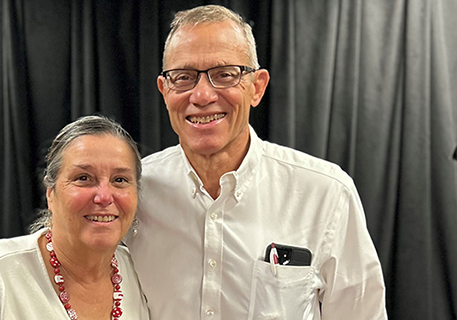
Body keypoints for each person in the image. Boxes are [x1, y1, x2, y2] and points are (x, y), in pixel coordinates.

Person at [124, 5, 387, 319]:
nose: (203, 95)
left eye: (224, 75)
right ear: (165, 90)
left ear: (257, 87)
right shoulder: (131, 194)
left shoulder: (326, 194)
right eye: (184, 77)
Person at [0, 115, 149, 320]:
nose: (103, 197)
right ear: (50, 194)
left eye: (120, 180)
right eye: (83, 178)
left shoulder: (139, 271)